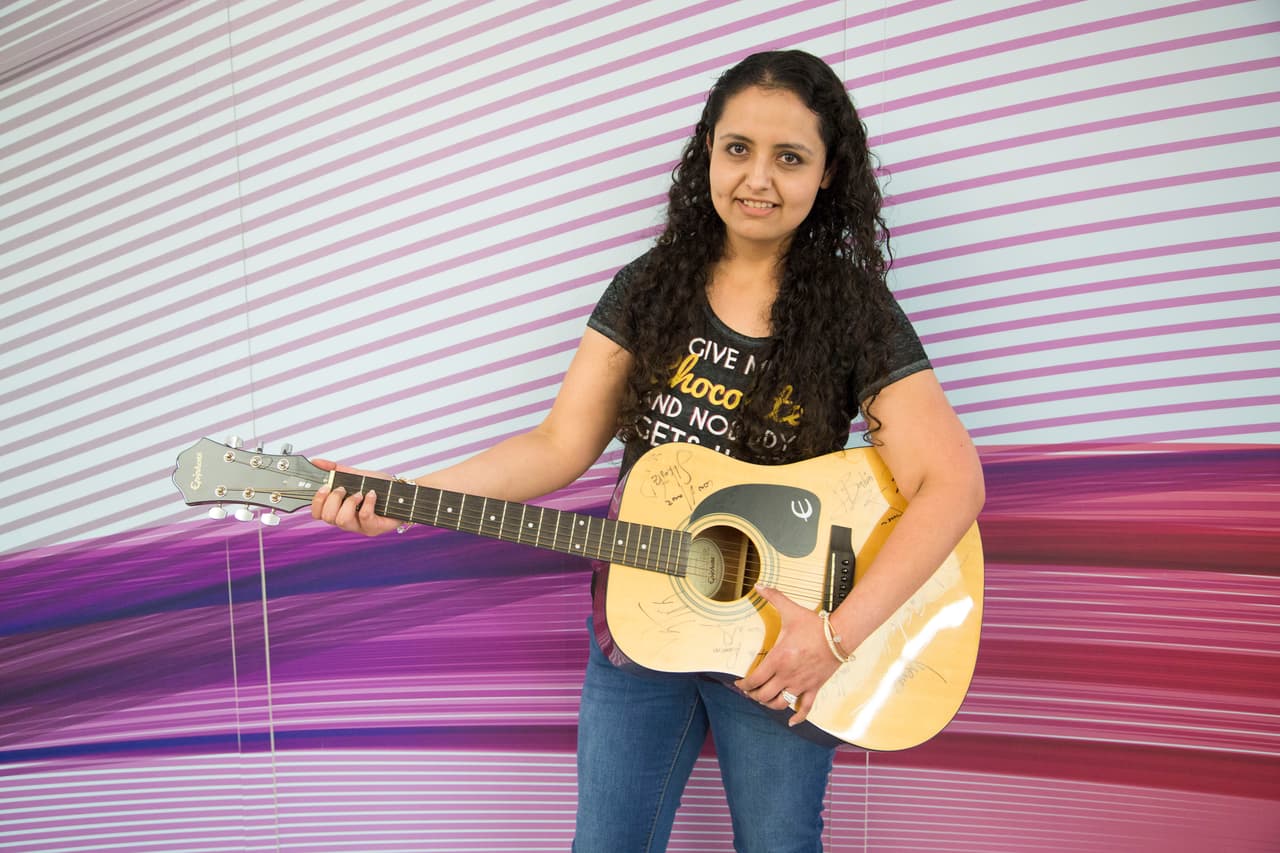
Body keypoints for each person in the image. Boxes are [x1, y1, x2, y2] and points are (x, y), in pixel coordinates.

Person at [312, 49, 984, 853]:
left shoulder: (854, 310)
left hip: (784, 644)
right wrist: (399, 498)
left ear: (828, 172)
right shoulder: (650, 285)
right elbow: (558, 443)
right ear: (708, 152)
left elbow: (952, 484)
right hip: (636, 629)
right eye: (737, 149)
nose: (757, 178)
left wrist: (834, 637)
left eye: (789, 157)